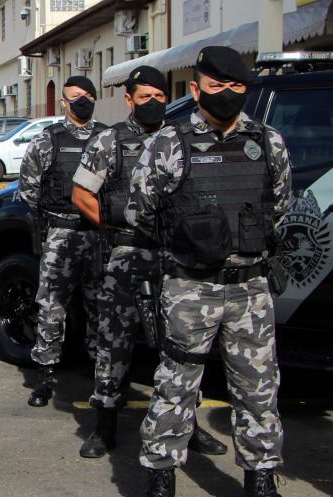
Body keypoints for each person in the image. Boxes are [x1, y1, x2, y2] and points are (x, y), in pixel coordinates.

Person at [125, 46, 314, 497]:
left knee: (259, 392)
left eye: (236, 87)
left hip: (250, 287)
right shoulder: (169, 142)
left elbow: (278, 207)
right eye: (216, 86)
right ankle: (159, 491)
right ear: (196, 89)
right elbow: (140, 212)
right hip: (190, 287)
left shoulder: (267, 141)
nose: (227, 95)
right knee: (175, 388)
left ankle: (262, 491)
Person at [70, 66, 228, 459]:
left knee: (182, 346)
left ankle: (187, 425)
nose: (155, 102)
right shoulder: (110, 141)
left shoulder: (181, 140)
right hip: (127, 257)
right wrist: (117, 227)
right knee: (114, 343)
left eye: (160, 95)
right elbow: (81, 194)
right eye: (145, 97)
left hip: (176, 259)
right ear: (129, 100)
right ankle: (104, 426)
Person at [18, 75, 107, 408]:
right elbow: (29, 189)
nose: (81, 101)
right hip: (60, 234)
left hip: (98, 235)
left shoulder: (107, 138)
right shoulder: (48, 141)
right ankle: (45, 375)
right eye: (74, 97)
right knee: (51, 307)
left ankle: (102, 372)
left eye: (87, 95)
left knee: (100, 306)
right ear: (64, 103)